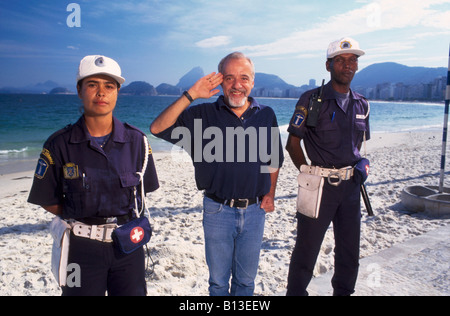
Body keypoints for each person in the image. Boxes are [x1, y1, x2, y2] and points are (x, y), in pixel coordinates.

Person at [151, 52, 284, 296]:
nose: (237, 85)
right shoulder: (201, 115)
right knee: (219, 284)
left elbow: (273, 159)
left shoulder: (266, 114)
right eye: (230, 78)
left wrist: (270, 194)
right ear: (221, 81)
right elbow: (158, 127)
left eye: (244, 78)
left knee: (245, 282)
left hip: (255, 211)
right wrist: (191, 94)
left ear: (253, 82)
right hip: (217, 210)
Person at [28, 55, 159, 296]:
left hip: (128, 247)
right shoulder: (59, 144)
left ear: (118, 92)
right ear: (79, 90)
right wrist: (82, 218)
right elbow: (46, 198)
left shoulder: (137, 141)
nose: (101, 93)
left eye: (109, 86)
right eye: (92, 85)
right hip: (79, 249)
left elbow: (143, 191)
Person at [285, 38, 370, 296]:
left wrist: (363, 164)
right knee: (306, 253)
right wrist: (308, 173)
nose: (348, 65)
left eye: (352, 60)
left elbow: (360, 147)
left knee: (349, 254)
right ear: (328, 65)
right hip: (319, 187)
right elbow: (292, 144)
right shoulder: (312, 100)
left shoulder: (362, 104)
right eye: (341, 60)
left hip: (351, 188)